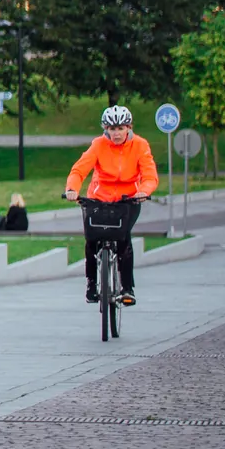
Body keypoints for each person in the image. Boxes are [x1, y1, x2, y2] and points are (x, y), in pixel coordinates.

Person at [66, 105, 159, 305]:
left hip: (129, 200)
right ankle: (91, 283)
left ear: (129, 127)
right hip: (99, 198)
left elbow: (150, 174)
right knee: (91, 239)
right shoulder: (98, 145)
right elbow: (79, 170)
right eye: (112, 129)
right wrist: (72, 189)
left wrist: (144, 191)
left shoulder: (140, 145)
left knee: (124, 238)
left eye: (120, 128)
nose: (116, 133)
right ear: (105, 129)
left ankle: (127, 288)